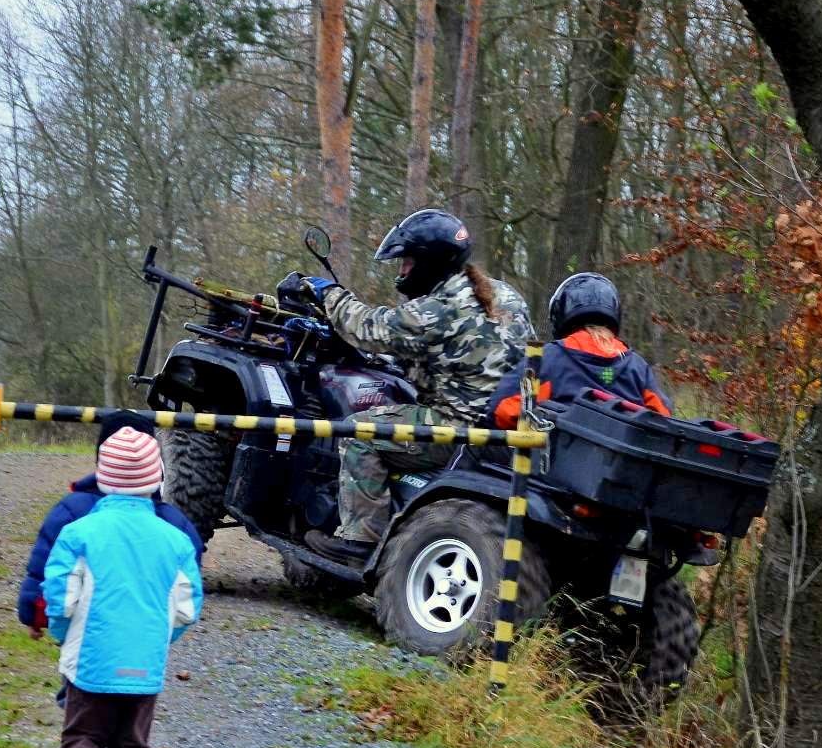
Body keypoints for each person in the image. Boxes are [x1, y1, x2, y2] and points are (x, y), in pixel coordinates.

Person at [288, 208, 532, 561]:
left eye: (407, 262)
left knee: (359, 432)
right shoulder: (504, 295)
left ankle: (360, 540)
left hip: (461, 431)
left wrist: (327, 293)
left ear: (430, 263)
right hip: (508, 431)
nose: (401, 271)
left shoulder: (438, 309)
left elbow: (369, 328)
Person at [43, 428, 202, 748]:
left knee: (81, 738)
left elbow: (60, 599)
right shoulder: (175, 540)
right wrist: (160, 642)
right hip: (144, 667)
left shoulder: (79, 533)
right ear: (157, 479)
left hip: (91, 662)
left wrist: (63, 635)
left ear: (102, 478)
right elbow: (186, 608)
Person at [17, 410, 205, 645]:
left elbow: (44, 567)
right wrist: (164, 634)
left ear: (101, 461)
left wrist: (36, 615)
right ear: (156, 467)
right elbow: (188, 583)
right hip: (146, 643)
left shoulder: (72, 512)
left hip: (84, 638)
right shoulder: (174, 525)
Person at [489, 272, 673, 428]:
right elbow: (664, 419)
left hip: (558, 458)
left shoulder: (549, 359)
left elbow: (501, 410)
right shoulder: (637, 366)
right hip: (625, 459)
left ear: (560, 313)